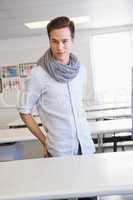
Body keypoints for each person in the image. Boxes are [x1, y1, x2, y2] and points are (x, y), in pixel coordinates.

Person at [18, 16, 96, 200]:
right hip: (59, 150)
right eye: (54, 41)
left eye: (64, 41)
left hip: (85, 146)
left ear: (72, 41)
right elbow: (24, 110)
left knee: (91, 196)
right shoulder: (38, 74)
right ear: (49, 41)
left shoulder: (80, 71)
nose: (59, 47)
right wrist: (44, 140)